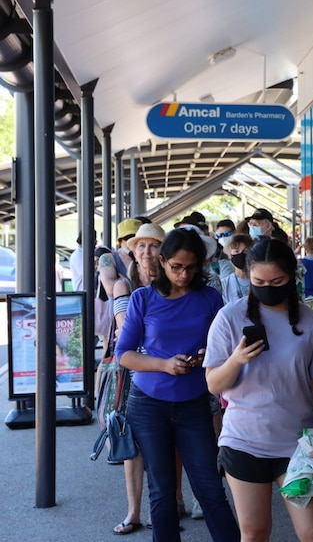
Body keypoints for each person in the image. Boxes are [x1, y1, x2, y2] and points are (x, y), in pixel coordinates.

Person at [205, 237, 313, 542]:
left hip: (299, 445)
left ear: (292, 276)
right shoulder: (229, 318)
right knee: (254, 533)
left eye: (277, 280)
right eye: (258, 281)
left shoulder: (312, 323)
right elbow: (213, 384)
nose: (267, 287)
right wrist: (236, 360)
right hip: (244, 440)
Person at [116, 228, 240, 542]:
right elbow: (124, 355)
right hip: (148, 404)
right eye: (176, 267)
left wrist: (204, 355)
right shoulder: (142, 298)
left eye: (191, 267)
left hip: (194, 402)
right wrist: (164, 364)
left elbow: (223, 345)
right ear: (163, 262)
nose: (184, 274)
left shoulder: (210, 298)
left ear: (201, 265)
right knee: (162, 491)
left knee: (210, 488)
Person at [108, 223, 165, 535]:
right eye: (141, 245)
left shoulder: (171, 281)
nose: (146, 252)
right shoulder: (123, 284)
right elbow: (124, 331)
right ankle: (133, 512)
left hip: (166, 369)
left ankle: (164, 508)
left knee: (166, 441)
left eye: (153, 245)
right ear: (132, 249)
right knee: (133, 444)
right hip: (133, 371)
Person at [221, 233, 253, 304]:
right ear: (230, 255)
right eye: (236, 251)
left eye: (246, 251)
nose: (241, 254)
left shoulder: (259, 280)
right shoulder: (224, 284)